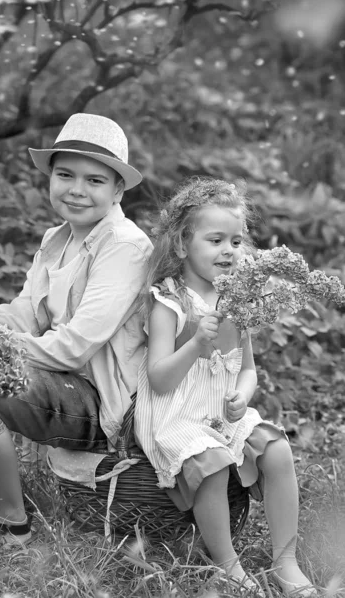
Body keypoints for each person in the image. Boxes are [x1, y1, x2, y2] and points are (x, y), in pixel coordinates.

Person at [0, 113, 153, 544]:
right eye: (65, 175)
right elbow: (25, 312)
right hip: (61, 383)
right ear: (51, 178)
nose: (77, 189)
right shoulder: (57, 238)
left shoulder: (125, 248)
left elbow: (74, 348)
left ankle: (9, 518)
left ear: (118, 189)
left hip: (100, 404)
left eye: (95, 180)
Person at [134, 177, 316, 597]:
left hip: (220, 411)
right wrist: (196, 342)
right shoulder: (168, 302)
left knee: (277, 448)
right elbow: (160, 379)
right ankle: (228, 564)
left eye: (236, 241)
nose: (229, 251)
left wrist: (243, 396)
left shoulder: (237, 301)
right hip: (175, 415)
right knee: (213, 461)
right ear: (181, 245)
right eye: (215, 240)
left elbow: (247, 370)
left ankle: (284, 561)